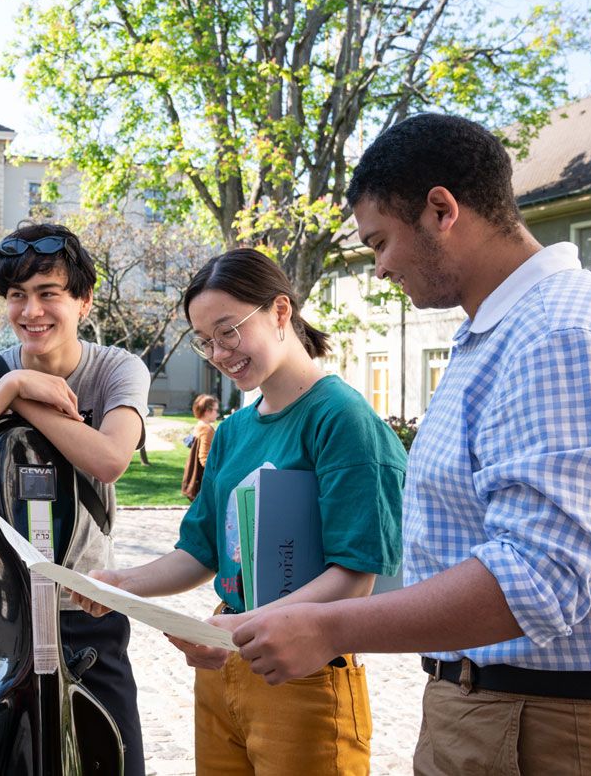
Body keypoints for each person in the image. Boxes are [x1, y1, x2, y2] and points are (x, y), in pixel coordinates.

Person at [221, 113, 591, 774]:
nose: (379, 269)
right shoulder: (496, 334)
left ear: (442, 210)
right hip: (499, 712)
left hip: (566, 726)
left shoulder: (560, 334)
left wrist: (329, 626)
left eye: (381, 243)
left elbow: (540, 575)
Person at [74, 248, 404, 775]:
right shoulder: (231, 432)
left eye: (228, 331)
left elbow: (355, 578)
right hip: (225, 665)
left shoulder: (342, 419)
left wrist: (237, 630)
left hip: (306, 672)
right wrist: (119, 583)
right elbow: (200, 553)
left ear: (279, 311)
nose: (219, 352)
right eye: (205, 342)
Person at [0, 222, 152, 776]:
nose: (31, 310)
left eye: (49, 294)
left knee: (112, 760)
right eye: (18, 296)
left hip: (87, 606)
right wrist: (10, 388)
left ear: (83, 302)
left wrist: (25, 403)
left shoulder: (117, 369)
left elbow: (110, 458)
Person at [179, 393, 218, 502]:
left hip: (195, 478)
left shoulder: (199, 426)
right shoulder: (206, 429)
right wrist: (216, 475)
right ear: (207, 411)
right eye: (216, 410)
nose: (217, 413)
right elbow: (204, 458)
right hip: (202, 480)